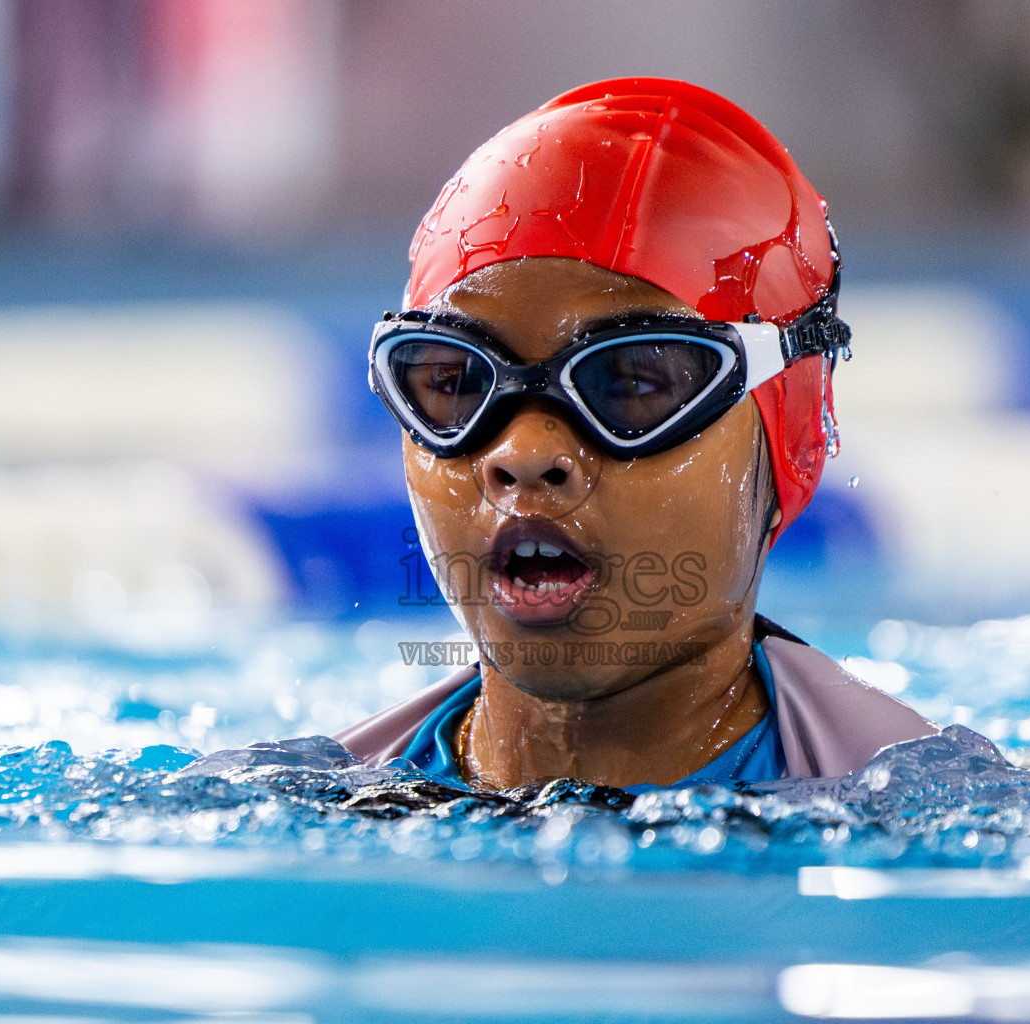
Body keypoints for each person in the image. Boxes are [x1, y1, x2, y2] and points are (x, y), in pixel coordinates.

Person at [338, 77, 934, 790]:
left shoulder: (939, 821)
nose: (522, 455)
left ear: (790, 439)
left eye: (632, 384)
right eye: (458, 382)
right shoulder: (306, 805)